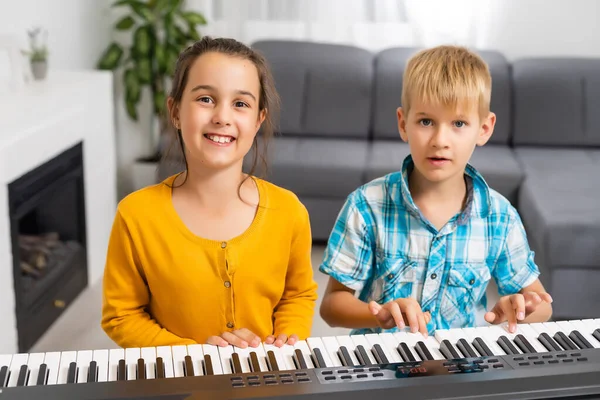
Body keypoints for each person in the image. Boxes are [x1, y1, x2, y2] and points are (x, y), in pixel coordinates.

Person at [319, 45, 553, 337]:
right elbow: (331, 307)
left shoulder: (499, 217)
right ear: (404, 123)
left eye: (458, 123)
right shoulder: (366, 205)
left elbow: (542, 305)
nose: (440, 140)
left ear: (484, 128)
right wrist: (380, 315)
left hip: (460, 369)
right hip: (381, 366)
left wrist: (521, 309)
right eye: (426, 121)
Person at [101, 37, 318, 349]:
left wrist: (285, 337)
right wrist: (195, 354)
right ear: (175, 111)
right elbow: (121, 315)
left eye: (240, 104)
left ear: (258, 120)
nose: (222, 117)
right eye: (205, 99)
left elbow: (297, 295)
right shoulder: (135, 215)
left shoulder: (289, 211)